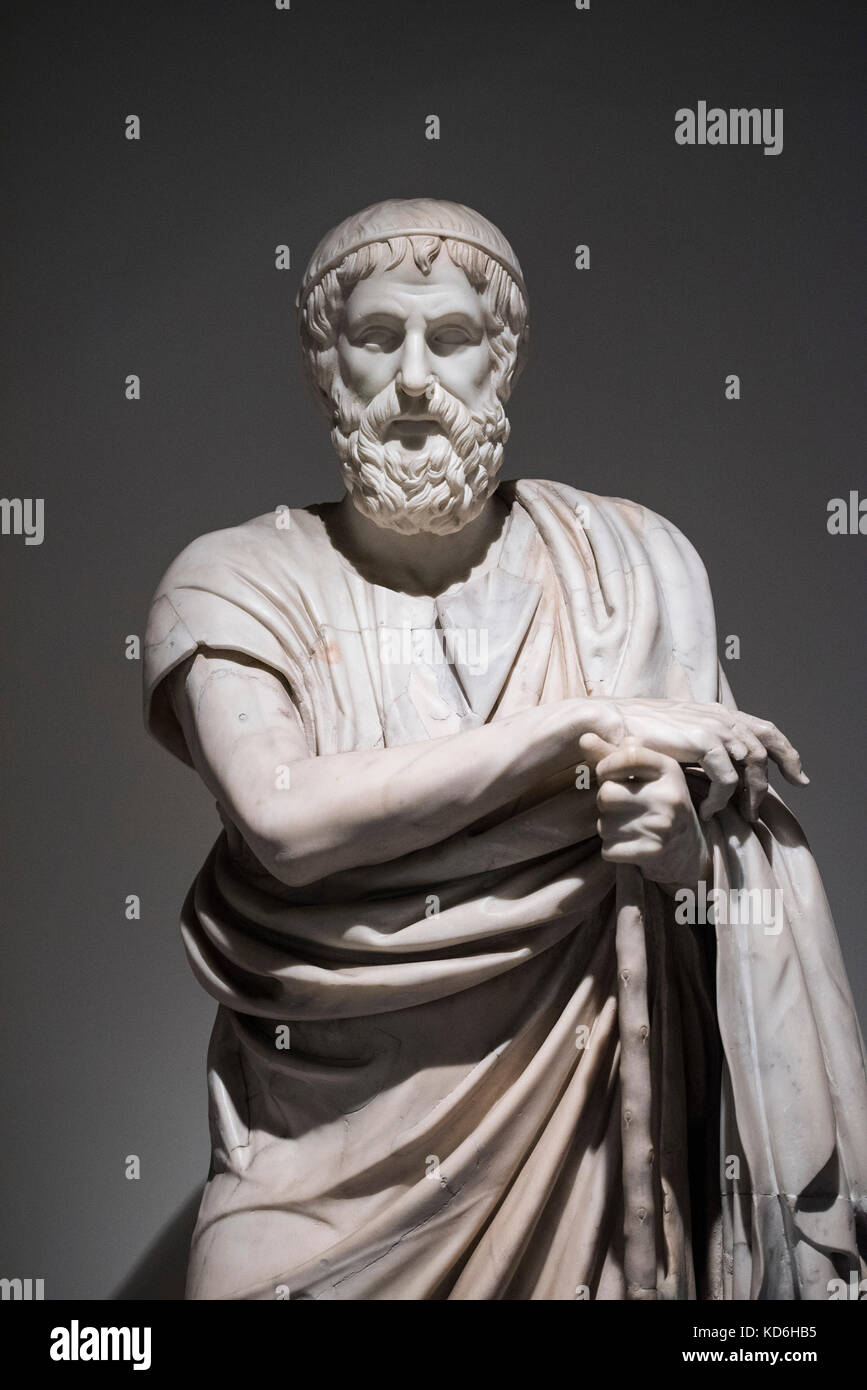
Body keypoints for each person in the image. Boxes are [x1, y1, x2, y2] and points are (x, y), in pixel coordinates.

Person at [143, 198, 867, 1299]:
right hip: (317, 1170)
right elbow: (286, 820)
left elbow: (739, 877)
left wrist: (686, 861)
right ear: (325, 366)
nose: (418, 378)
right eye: (378, 337)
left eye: (455, 337)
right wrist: (586, 728)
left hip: (580, 1167)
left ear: (505, 361)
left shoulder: (632, 567)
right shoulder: (235, 579)